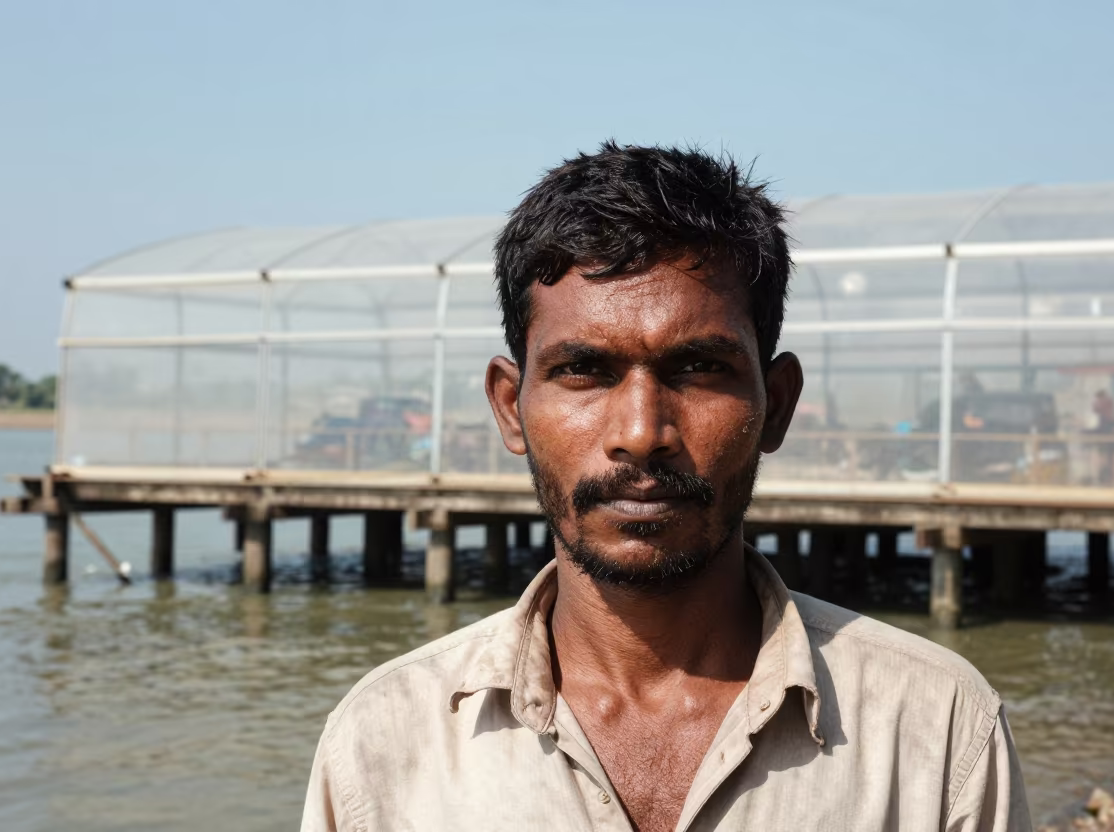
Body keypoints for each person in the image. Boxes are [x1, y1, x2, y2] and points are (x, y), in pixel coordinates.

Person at [301, 143, 1031, 831]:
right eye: (583, 371)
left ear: (776, 405)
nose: (642, 432)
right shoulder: (384, 743)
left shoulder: (936, 728)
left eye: (699, 369)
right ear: (510, 408)